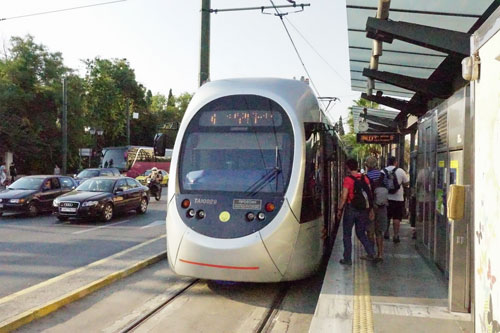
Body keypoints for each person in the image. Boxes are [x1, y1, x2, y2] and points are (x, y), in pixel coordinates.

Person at [337, 158, 376, 265]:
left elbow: (344, 196)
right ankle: (371, 253)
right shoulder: (365, 178)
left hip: (351, 209)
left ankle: (347, 259)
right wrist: (370, 209)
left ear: (348, 167)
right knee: (361, 233)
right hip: (363, 210)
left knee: (347, 234)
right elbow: (369, 194)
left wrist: (340, 209)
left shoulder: (348, 179)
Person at [365, 156, 388, 262]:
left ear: (367, 165)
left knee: (370, 231)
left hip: (371, 208)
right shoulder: (384, 175)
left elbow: (365, 194)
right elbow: (389, 188)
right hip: (382, 206)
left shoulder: (366, 177)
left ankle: (371, 253)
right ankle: (380, 254)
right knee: (379, 232)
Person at [383, 156, 410, 243]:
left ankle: (386, 232)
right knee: (397, 218)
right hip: (398, 199)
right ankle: (396, 235)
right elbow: (406, 183)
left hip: (386, 198)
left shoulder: (383, 171)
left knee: (387, 216)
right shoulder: (400, 171)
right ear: (395, 162)